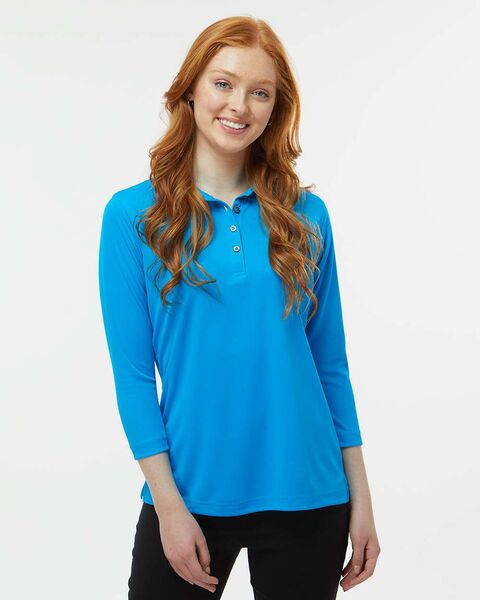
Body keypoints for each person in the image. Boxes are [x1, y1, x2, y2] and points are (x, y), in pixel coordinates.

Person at [98, 15, 380, 600]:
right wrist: (168, 507)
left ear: (276, 108)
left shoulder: (306, 216)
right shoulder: (133, 217)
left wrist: (362, 500)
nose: (239, 106)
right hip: (190, 495)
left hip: (310, 493)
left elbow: (331, 367)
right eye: (223, 83)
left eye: (260, 92)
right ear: (191, 89)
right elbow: (133, 378)